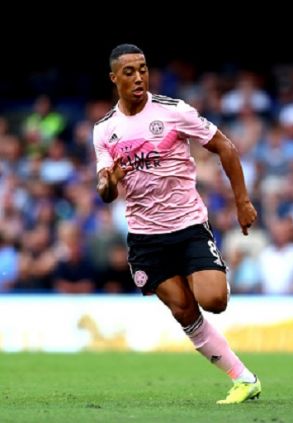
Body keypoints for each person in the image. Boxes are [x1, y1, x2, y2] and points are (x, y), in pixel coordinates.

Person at [93, 44, 261, 404]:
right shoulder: (104, 130)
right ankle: (244, 379)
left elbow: (226, 148)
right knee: (185, 311)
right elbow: (105, 190)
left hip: (187, 225)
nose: (138, 77)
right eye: (129, 72)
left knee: (213, 300)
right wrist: (109, 181)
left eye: (143, 69)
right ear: (114, 78)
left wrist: (242, 202)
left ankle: (202, 274)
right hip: (145, 237)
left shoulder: (174, 112)